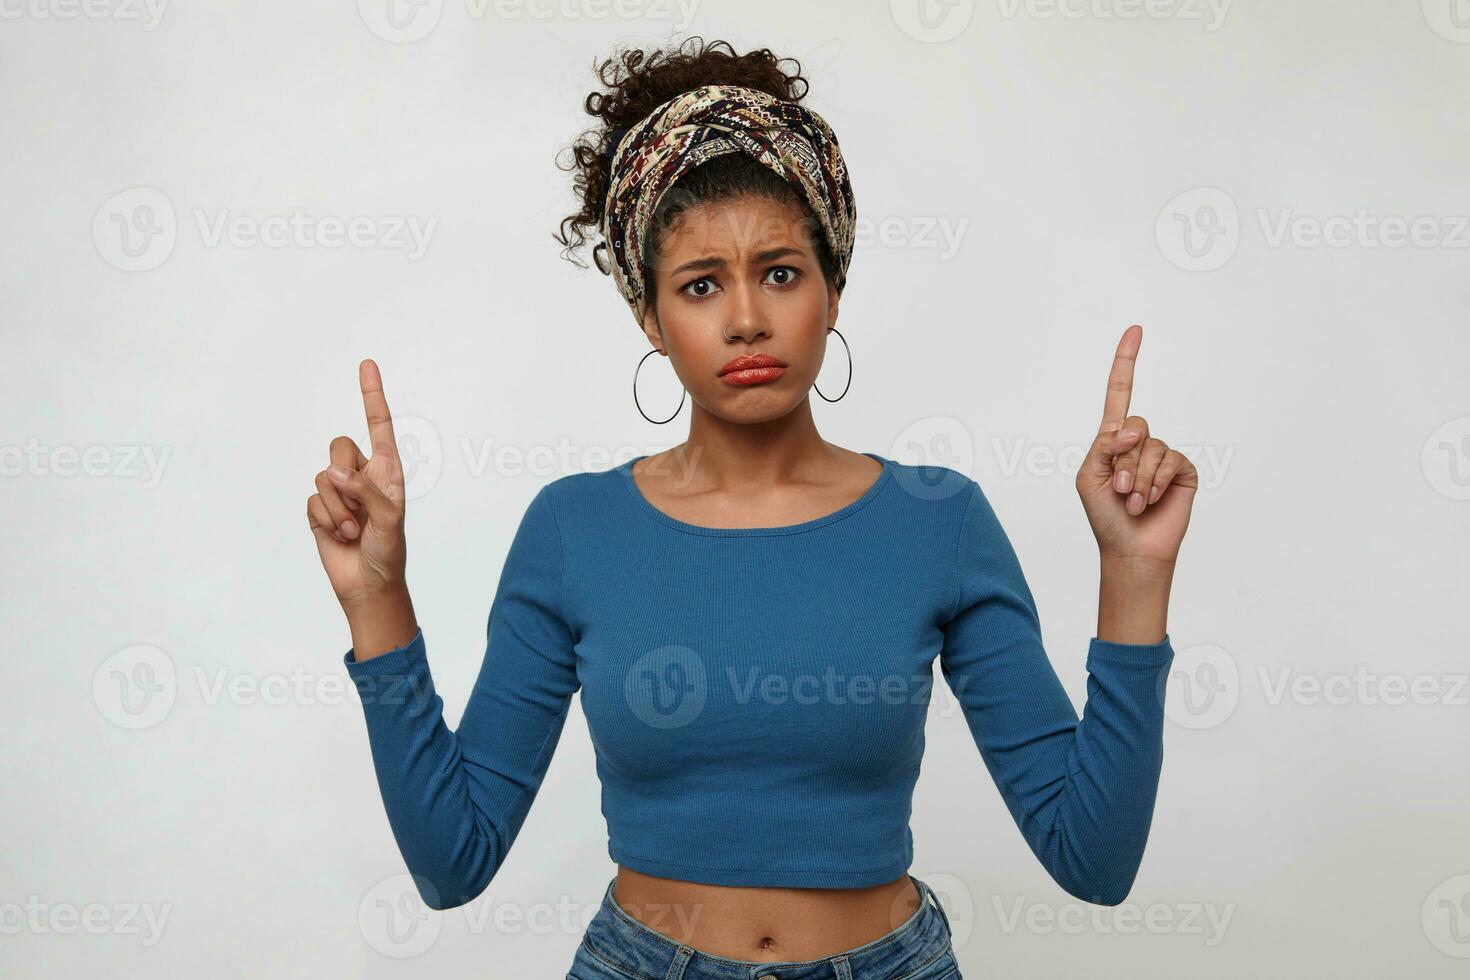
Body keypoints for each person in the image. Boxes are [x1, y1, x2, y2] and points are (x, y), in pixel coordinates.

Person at [307, 38, 1198, 980]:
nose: (745, 319)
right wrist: (377, 604)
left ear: (833, 289)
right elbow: (455, 862)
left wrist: (1135, 575)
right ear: (651, 318)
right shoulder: (573, 530)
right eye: (700, 286)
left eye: (780, 272)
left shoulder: (939, 519)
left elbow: (1093, 861)